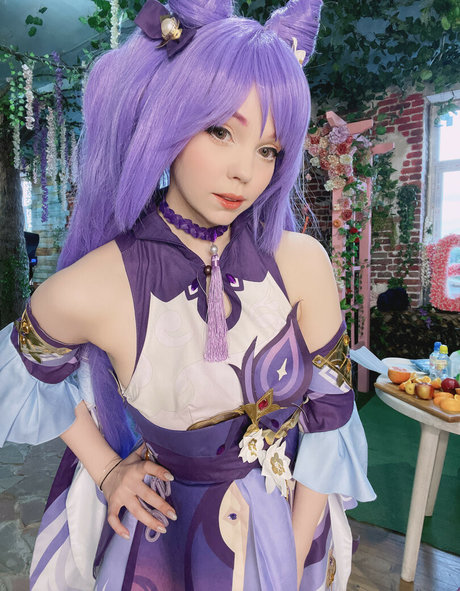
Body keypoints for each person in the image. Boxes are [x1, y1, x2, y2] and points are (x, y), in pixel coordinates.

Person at [0, 0, 376, 589]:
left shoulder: (301, 262)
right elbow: (26, 369)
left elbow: (329, 420)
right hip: (166, 547)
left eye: (268, 149)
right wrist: (106, 469)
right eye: (221, 131)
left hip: (286, 535)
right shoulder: (97, 282)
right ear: (170, 120)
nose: (245, 172)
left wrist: (289, 561)